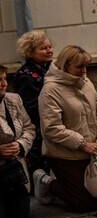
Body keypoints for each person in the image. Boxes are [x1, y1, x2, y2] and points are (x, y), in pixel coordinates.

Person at [34, 45, 97, 212]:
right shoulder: (50, 91)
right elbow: (52, 129)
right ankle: (46, 181)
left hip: (92, 148)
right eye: (79, 67)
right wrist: (83, 144)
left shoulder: (85, 82)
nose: (84, 71)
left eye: (86, 66)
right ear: (65, 65)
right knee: (86, 204)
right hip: (65, 153)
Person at [12, 29, 51, 175]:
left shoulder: (52, 68)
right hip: (38, 126)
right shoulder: (26, 75)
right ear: (30, 52)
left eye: (49, 47)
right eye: (43, 48)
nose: (48, 51)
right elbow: (30, 107)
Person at [0, 65, 35, 218]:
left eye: (4, 78)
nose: (4, 84)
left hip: (14, 171)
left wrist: (19, 145)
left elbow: (29, 128)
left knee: (20, 216)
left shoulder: (13, 99)